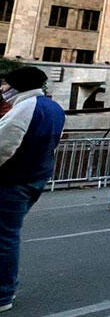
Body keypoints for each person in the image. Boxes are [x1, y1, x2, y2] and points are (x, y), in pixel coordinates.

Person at [0, 67, 65, 312]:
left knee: (5, 237)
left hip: (13, 180)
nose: (3, 89)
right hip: (35, 178)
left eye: (6, 84)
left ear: (18, 86)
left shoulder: (26, 108)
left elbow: (4, 146)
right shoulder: (54, 108)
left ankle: (3, 293)